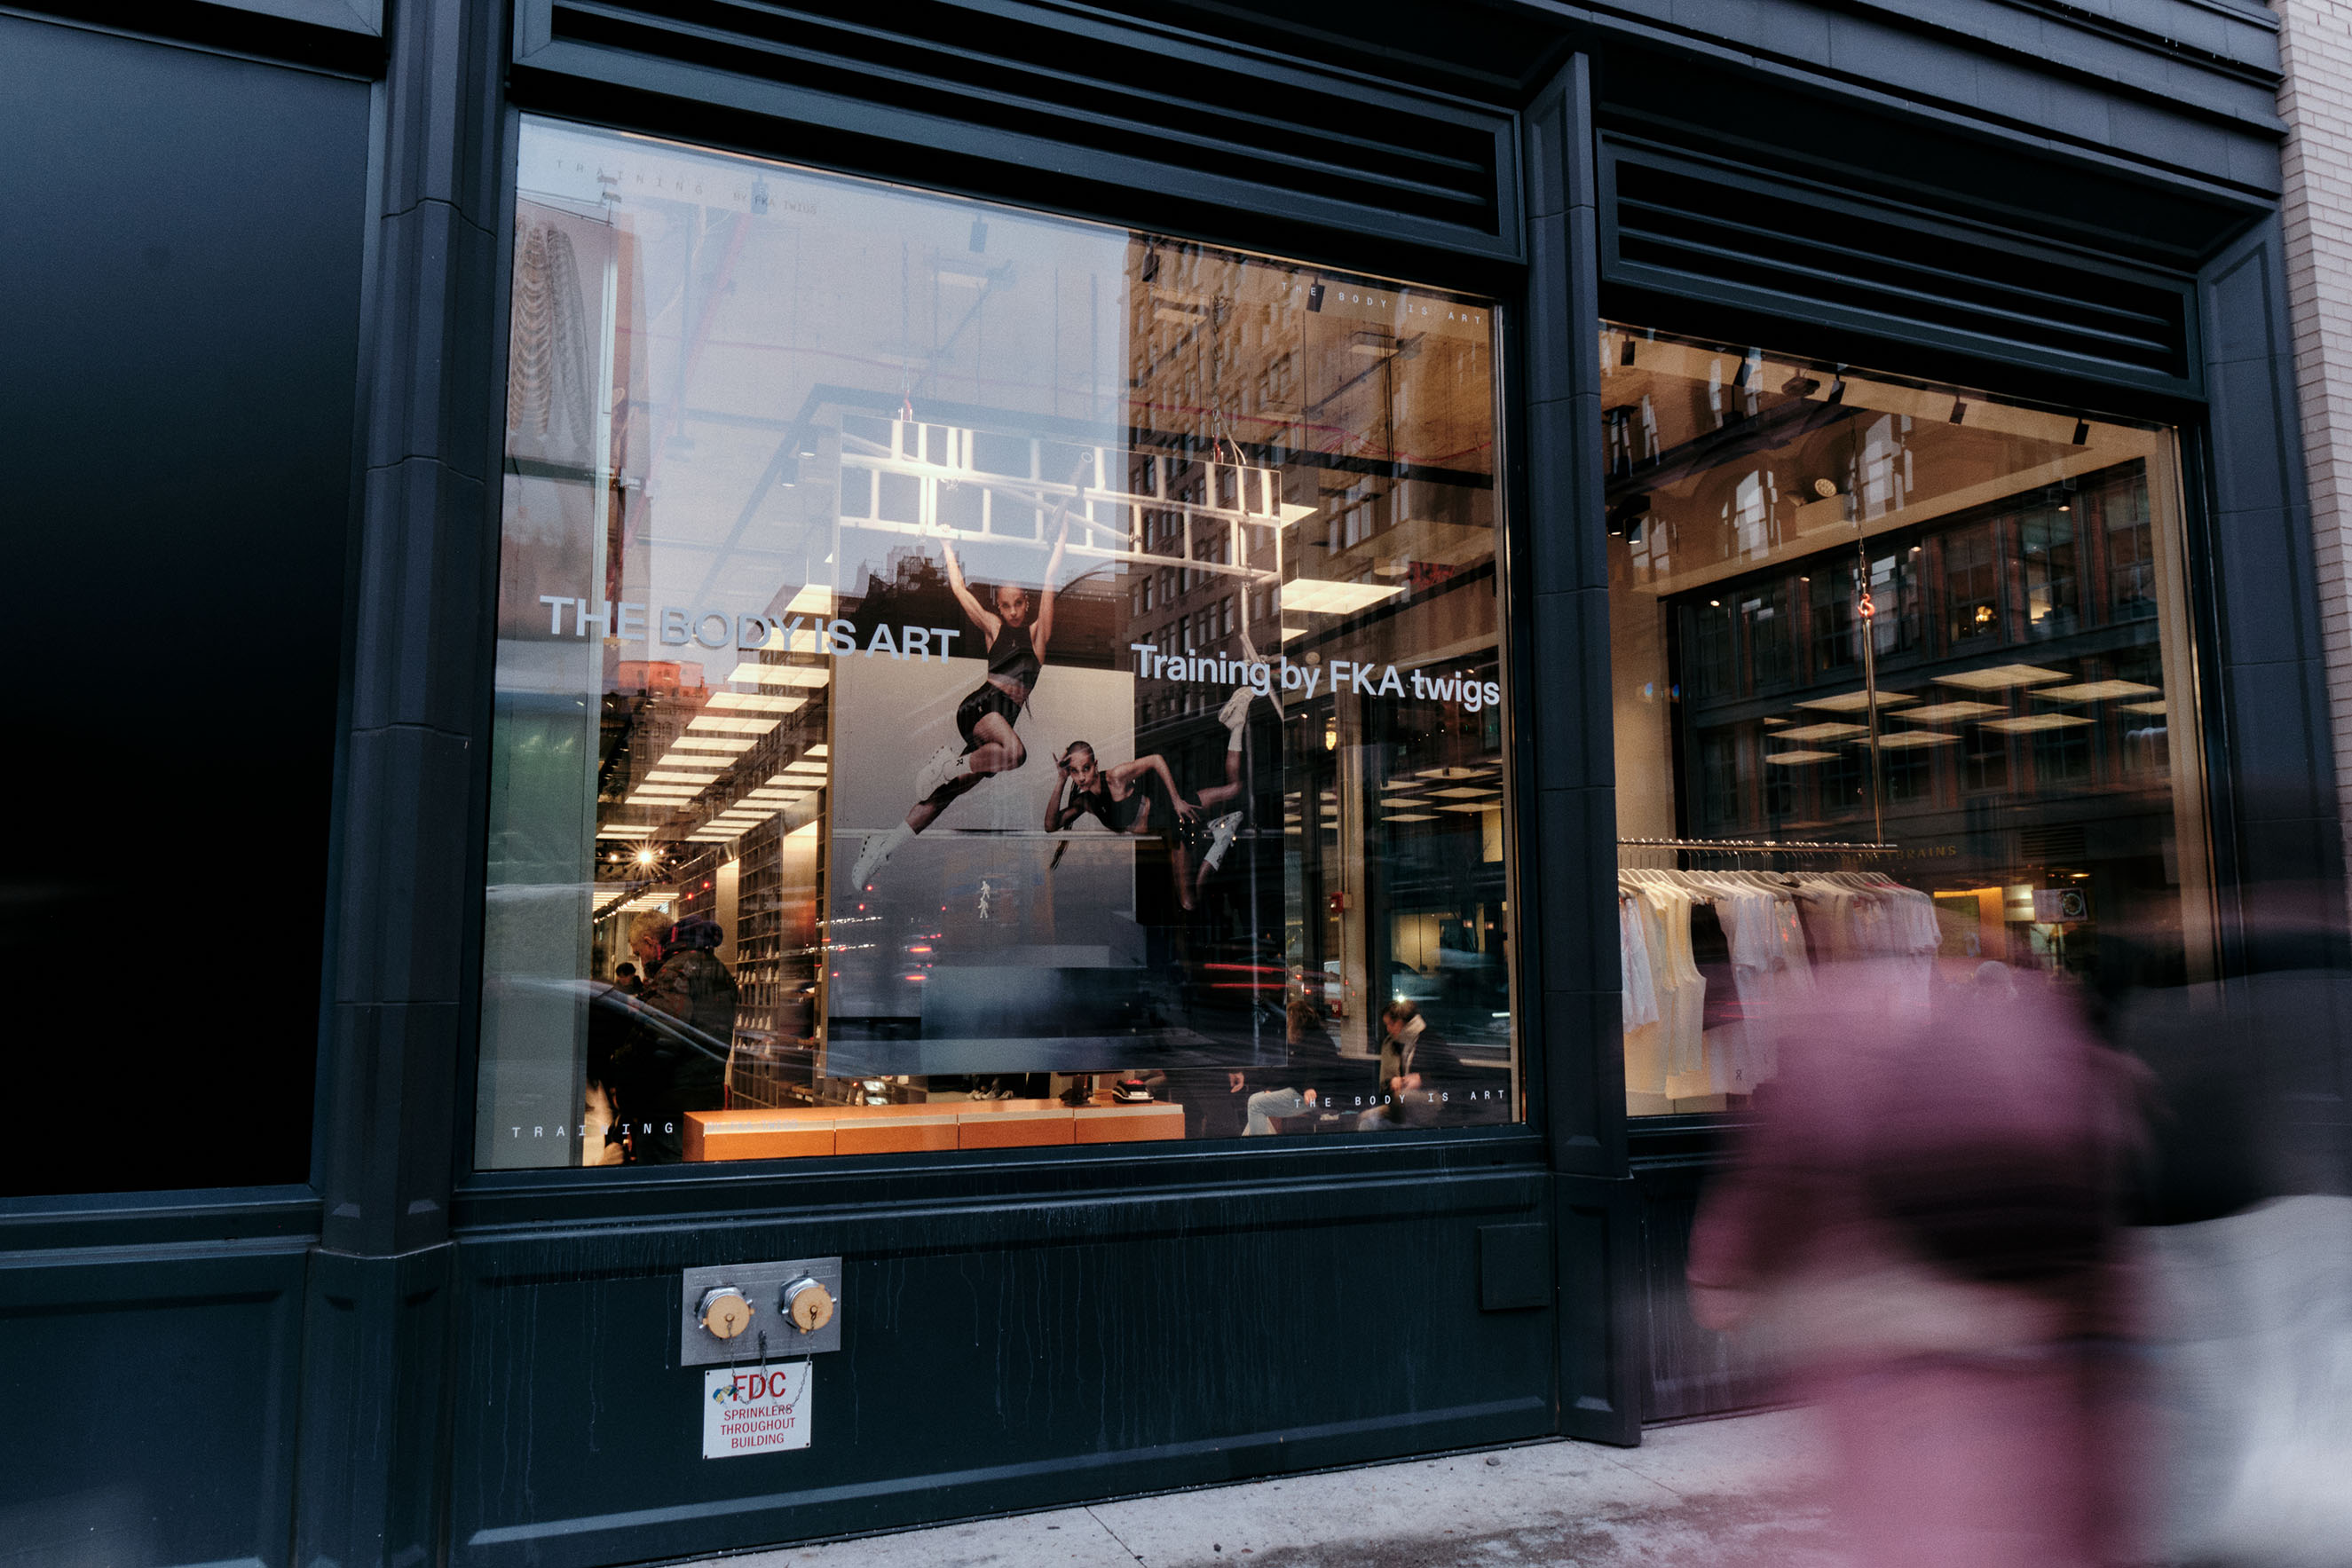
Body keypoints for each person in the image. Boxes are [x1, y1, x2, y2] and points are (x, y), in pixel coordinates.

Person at [1685, 961, 2143, 1567]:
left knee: (1924, 1518)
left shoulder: (1827, 1046)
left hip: (1894, 1361)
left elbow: (1775, 1191)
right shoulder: (2043, 1043)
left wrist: (1721, 1275)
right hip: (2046, 1357)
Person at [848, 512, 1072, 890]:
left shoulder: (1038, 635)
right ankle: (949, 763)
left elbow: (1052, 577)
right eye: (1006, 605)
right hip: (982, 709)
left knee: (942, 796)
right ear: (998, 608)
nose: (1013, 611)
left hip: (995, 734)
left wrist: (1062, 535)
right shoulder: (995, 628)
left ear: (1028, 604)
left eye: (1019, 604)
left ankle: (882, 847)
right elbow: (959, 590)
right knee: (1016, 755)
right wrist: (947, 546)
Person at [1042, 686, 1253, 912]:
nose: (1082, 777)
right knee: (1235, 788)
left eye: (1086, 768)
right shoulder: (1086, 802)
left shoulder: (1115, 777)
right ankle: (1237, 727)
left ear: (1096, 766)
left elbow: (1156, 760)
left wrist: (1176, 800)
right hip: (1167, 827)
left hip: (1173, 826)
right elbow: (1050, 825)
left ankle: (1237, 724)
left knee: (1188, 903)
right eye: (1075, 771)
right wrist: (1061, 780)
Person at [1356, 998, 1467, 1130]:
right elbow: (1385, 1086)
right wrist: (1395, 1081)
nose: (1388, 1029)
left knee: (1399, 1099)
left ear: (1403, 1022)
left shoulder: (1429, 1041)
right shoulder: (1395, 1044)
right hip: (1405, 1107)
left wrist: (1423, 1078)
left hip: (1433, 1106)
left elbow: (1455, 1073)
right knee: (1365, 1120)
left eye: (1391, 1024)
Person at [1245, 989, 1342, 1134]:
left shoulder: (1315, 1040)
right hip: (1301, 1091)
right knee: (1255, 1101)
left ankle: (1260, 1148)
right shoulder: (1310, 1039)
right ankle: (1260, 1142)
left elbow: (1316, 1067)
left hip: (1309, 1096)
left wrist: (1310, 1087)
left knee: (1255, 1104)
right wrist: (1273, 1088)